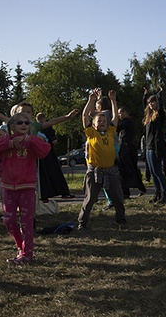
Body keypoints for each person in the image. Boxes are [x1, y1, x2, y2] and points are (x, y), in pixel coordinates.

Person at [0, 112, 51, 265]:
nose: (23, 125)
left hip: (27, 187)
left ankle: (27, 254)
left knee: (27, 221)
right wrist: (9, 143)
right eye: (19, 122)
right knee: (8, 220)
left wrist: (31, 139)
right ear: (12, 126)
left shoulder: (33, 141)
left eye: (27, 123)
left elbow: (45, 150)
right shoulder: (6, 140)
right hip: (8, 187)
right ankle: (21, 246)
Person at [77, 90, 127, 230]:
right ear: (94, 124)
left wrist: (113, 101)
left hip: (111, 171)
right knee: (90, 199)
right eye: (99, 121)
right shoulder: (91, 133)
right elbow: (84, 115)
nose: (102, 122)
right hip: (95, 171)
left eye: (104, 121)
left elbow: (116, 116)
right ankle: (82, 222)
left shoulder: (111, 131)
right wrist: (91, 101)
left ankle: (120, 218)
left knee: (117, 198)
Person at [35, 113, 75, 201]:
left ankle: (45, 194)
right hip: (48, 153)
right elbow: (54, 140)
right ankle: (61, 192)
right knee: (54, 172)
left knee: (43, 174)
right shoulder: (42, 127)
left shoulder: (36, 128)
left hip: (42, 154)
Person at [142, 87, 166, 204]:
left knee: (158, 171)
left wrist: (159, 96)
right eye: (149, 103)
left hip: (156, 146)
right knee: (152, 172)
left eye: (153, 102)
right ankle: (157, 192)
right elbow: (143, 106)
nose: (151, 104)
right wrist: (145, 96)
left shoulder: (160, 116)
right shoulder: (148, 118)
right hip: (148, 146)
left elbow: (162, 110)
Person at [116, 106, 146, 200]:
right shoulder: (128, 122)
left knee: (127, 168)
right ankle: (130, 190)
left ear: (125, 112)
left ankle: (129, 190)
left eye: (120, 113)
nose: (119, 115)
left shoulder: (127, 122)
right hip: (126, 147)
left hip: (127, 147)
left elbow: (117, 128)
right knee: (128, 168)